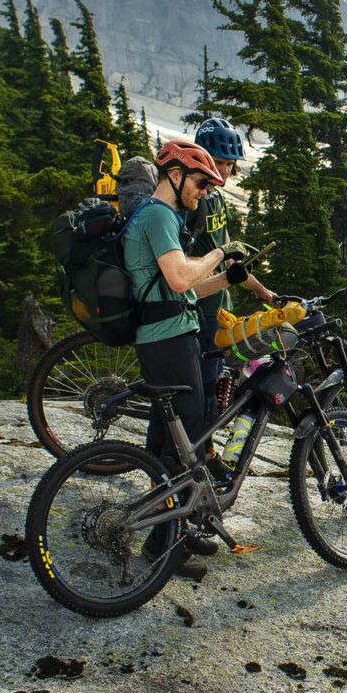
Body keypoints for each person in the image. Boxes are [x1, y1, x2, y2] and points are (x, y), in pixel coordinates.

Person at [124, 140, 254, 563]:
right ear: (174, 175)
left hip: (169, 333)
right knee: (185, 439)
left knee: (173, 440)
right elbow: (181, 279)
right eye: (201, 182)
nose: (204, 191)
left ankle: (171, 534)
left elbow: (190, 288)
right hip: (168, 340)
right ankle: (165, 548)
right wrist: (218, 252)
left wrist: (227, 279)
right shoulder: (159, 215)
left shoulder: (161, 216)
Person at [185, 118, 274, 394]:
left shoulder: (216, 199)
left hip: (218, 309)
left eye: (228, 163)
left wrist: (261, 290)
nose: (223, 169)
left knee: (213, 382)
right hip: (196, 310)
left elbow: (229, 256)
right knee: (201, 387)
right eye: (218, 161)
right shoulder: (191, 201)